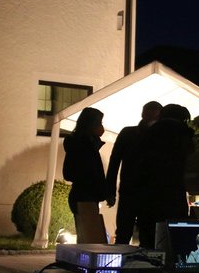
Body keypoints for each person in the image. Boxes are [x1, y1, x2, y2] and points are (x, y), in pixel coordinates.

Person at [135, 103, 195, 249]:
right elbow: (189, 158)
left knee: (148, 240)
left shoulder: (149, 133)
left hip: (148, 194)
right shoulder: (182, 133)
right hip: (173, 193)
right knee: (173, 240)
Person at [105, 101, 162, 244]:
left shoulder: (128, 133)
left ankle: (121, 257)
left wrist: (110, 191)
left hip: (129, 189)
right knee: (147, 235)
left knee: (124, 232)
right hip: (149, 192)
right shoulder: (161, 137)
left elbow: (114, 162)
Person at [62, 107, 108, 243]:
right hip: (85, 195)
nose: (102, 127)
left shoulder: (83, 143)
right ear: (92, 124)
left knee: (86, 236)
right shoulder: (84, 145)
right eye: (99, 123)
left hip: (83, 194)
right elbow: (92, 172)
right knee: (89, 237)